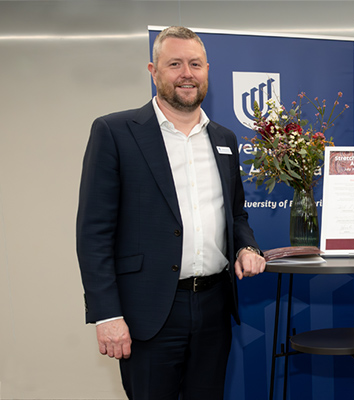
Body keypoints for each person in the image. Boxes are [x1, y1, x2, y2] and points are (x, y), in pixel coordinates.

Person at [76, 26, 266, 399]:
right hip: (148, 313)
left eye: (195, 64)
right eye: (174, 64)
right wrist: (107, 315)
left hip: (214, 308)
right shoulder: (115, 132)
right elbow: (93, 233)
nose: (187, 73)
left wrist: (246, 247)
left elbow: (236, 214)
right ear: (154, 71)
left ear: (208, 69)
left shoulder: (224, 139)